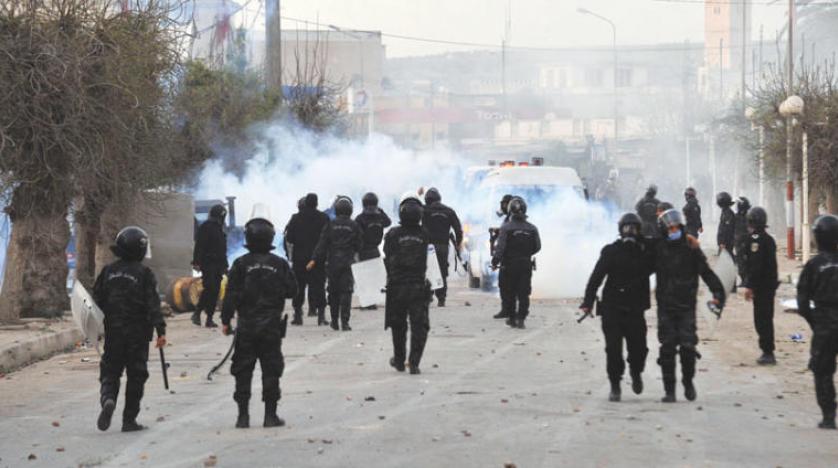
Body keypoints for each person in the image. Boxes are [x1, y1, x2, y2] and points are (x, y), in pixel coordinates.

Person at [221, 215, 296, 429]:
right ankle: (270, 416)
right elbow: (293, 290)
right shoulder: (279, 264)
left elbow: (230, 296)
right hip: (271, 328)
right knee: (271, 370)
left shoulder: (240, 264)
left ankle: (242, 416)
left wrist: (226, 320)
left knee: (243, 371)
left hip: (246, 328)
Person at [94, 227, 166, 433]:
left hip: (113, 333)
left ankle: (108, 398)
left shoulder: (107, 271)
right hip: (138, 335)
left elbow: (95, 301)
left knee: (110, 370)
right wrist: (161, 331)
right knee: (136, 375)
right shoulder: (144, 274)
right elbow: (153, 305)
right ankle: (129, 420)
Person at [653, 209, 726, 403]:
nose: (673, 230)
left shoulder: (691, 248)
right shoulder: (658, 249)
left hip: (686, 306)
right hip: (666, 308)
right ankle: (669, 390)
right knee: (667, 348)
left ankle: (688, 381)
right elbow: (639, 268)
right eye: (670, 228)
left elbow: (706, 272)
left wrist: (718, 292)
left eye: (677, 227)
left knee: (688, 347)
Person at [581, 213, 651, 402]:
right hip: (612, 308)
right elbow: (596, 278)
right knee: (613, 350)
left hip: (636, 309)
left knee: (639, 350)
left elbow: (666, 253)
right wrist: (588, 302)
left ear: (639, 230)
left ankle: (636, 372)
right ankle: (615, 384)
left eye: (634, 228)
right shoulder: (611, 251)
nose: (630, 231)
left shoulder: (646, 252)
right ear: (620, 230)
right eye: (626, 228)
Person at [797, 214, 838, 430]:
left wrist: (815, 321)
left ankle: (829, 415)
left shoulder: (814, 265)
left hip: (824, 326)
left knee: (822, 370)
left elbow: (802, 301)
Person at [384, 194, 432, 375]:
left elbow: (387, 255)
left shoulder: (392, 234)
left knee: (398, 325)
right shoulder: (424, 235)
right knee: (419, 326)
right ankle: (414, 362)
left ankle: (398, 359)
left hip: (397, 286)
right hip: (418, 286)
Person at [308, 196, 363, 331]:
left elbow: (322, 243)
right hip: (347, 262)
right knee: (346, 292)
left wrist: (314, 259)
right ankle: (345, 322)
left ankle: (334, 321)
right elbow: (360, 244)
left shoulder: (330, 224)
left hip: (332, 262)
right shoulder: (354, 225)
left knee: (333, 292)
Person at [491, 197, 541, 329]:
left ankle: (512, 318)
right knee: (524, 293)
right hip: (525, 264)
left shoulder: (506, 228)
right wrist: (526, 254)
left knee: (511, 292)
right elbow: (537, 246)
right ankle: (521, 319)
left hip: (509, 265)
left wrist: (495, 261)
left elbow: (500, 247)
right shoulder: (532, 228)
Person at [284, 193, 330, 326]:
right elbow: (328, 238)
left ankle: (298, 316)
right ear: (316, 203)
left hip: (300, 258)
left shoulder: (296, 218)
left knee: (299, 287)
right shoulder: (323, 218)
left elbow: (290, 238)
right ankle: (321, 317)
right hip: (318, 259)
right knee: (319, 286)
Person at [741, 207, 779, 365]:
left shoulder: (755, 240)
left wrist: (750, 286)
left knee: (762, 319)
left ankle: (767, 352)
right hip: (769, 285)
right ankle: (767, 350)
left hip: (762, 286)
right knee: (766, 317)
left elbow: (756, 266)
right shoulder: (768, 239)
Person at [423, 188, 464, 307]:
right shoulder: (449, 211)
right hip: (443, 246)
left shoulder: (424, 210)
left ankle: (428, 295)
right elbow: (458, 229)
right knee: (442, 271)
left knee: (428, 270)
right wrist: (458, 243)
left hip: (429, 246)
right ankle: (441, 298)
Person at [192, 204, 228, 328]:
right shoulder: (206, 227)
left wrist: (225, 266)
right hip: (208, 264)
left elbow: (223, 250)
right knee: (210, 288)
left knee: (215, 291)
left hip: (218, 265)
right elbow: (199, 246)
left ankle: (209, 318)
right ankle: (197, 312)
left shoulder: (220, 229)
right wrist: (196, 262)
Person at [492, 194, 514, 319]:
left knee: (505, 285)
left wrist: (496, 259)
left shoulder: (510, 219)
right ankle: (511, 310)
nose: (503, 207)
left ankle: (507, 310)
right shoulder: (510, 219)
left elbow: (503, 242)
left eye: (505, 204)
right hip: (515, 258)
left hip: (508, 258)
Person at [355, 192, 392, 261]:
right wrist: (381, 211)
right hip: (373, 251)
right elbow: (388, 222)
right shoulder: (380, 217)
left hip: (364, 251)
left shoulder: (360, 218)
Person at [733, 196, 752, 285]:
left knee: (742, 262)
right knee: (743, 261)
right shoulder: (748, 217)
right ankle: (745, 279)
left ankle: (745, 279)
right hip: (742, 241)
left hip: (741, 242)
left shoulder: (737, 217)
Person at [716, 192, 735, 257]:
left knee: (727, 259)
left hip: (727, 243)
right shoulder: (725, 211)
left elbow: (726, 229)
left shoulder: (727, 213)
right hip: (725, 242)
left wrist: (723, 242)